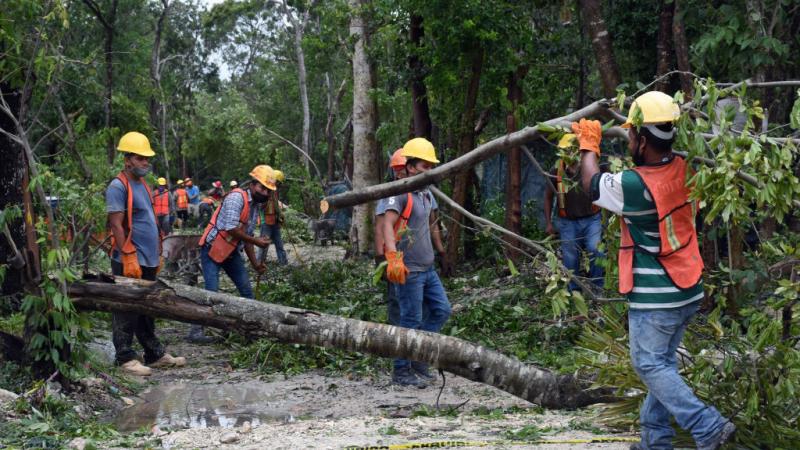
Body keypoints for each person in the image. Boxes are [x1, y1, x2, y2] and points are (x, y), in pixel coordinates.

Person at [576, 91, 735, 450]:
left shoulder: (635, 185)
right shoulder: (685, 167)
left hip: (657, 297)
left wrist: (589, 145)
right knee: (662, 366)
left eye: (632, 135)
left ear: (643, 141)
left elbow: (591, 185)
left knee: (649, 365)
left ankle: (706, 425)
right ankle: (655, 442)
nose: (629, 139)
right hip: (687, 288)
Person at [105, 131, 185, 376]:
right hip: (129, 257)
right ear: (127, 159)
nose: (145, 163)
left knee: (146, 308)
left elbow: (149, 220)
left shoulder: (143, 185)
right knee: (126, 307)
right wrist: (127, 254)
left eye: (147, 159)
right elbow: (116, 224)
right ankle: (125, 358)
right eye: (140, 158)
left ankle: (154, 354)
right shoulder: (118, 186)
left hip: (147, 258)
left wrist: (157, 253)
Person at [383, 138, 451, 388]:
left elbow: (432, 226)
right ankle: (401, 370)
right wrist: (392, 257)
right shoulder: (399, 194)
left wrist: (441, 252)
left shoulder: (425, 194)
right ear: (411, 167)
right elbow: (387, 225)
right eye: (425, 166)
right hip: (409, 270)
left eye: (431, 166)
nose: (429, 171)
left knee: (441, 310)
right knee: (409, 320)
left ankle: (419, 357)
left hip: (428, 269)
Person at [190, 165, 274, 343]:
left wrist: (256, 264)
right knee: (212, 293)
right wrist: (257, 241)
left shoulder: (255, 207)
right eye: (262, 188)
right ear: (252, 184)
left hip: (231, 251)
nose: (265, 193)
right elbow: (231, 228)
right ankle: (196, 331)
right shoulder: (237, 197)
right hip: (212, 248)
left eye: (268, 190)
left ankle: (251, 328)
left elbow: (247, 237)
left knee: (247, 291)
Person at [543, 133, 604, 292]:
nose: (570, 153)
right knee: (570, 258)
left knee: (596, 249)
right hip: (568, 221)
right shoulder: (557, 169)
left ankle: (598, 289)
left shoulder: (589, 166)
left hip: (592, 219)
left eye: (573, 149)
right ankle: (574, 292)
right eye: (566, 150)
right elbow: (548, 198)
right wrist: (549, 223)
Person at [257, 169, 287, 266]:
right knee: (263, 245)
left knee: (279, 244)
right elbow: (260, 206)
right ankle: (259, 264)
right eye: (279, 183)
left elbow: (276, 206)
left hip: (274, 222)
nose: (279, 185)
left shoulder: (274, 191)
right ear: (275, 180)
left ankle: (283, 263)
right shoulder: (264, 190)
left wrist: (280, 215)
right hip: (266, 222)